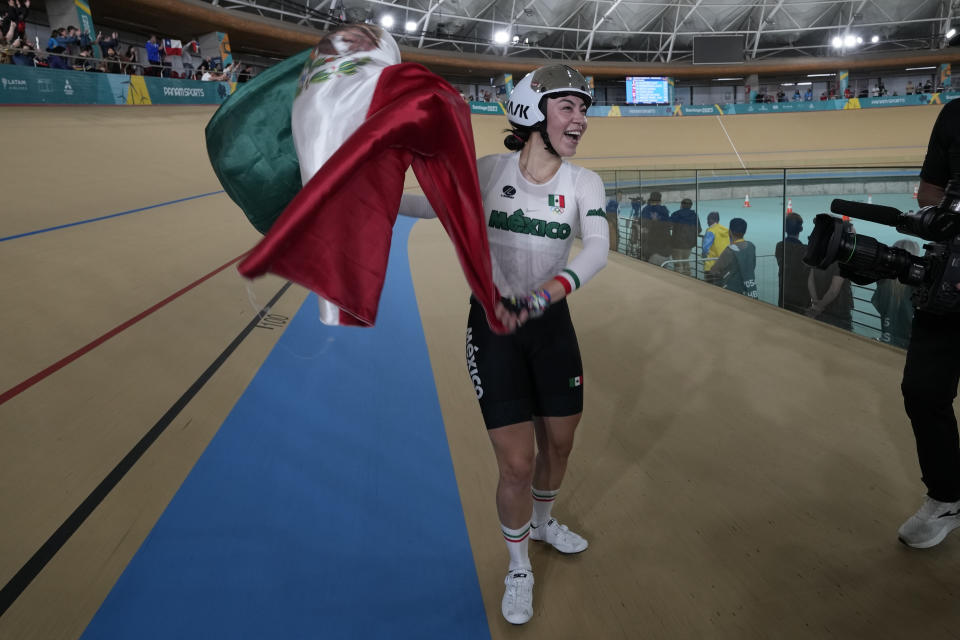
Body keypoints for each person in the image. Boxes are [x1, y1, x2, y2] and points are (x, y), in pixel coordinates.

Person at [401, 64, 609, 625]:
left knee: (559, 446)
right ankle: (519, 566)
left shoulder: (583, 183)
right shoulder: (490, 171)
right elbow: (433, 204)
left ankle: (543, 523)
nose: (581, 119)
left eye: (583, 109)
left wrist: (544, 297)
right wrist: (377, 196)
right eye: (568, 107)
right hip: (493, 329)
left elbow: (596, 249)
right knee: (517, 463)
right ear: (532, 112)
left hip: (549, 325)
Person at [896, 96, 960, 548]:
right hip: (951, 277)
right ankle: (947, 498)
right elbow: (930, 190)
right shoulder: (954, 113)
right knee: (922, 389)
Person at [872, 239, 918, 349]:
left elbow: (879, 305)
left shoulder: (882, 281)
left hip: (887, 338)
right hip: (908, 344)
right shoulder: (915, 286)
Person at [710, 217, 758, 298]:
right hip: (750, 290)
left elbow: (714, 270)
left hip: (732, 291)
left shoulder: (730, 250)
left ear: (730, 232)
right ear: (744, 232)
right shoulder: (751, 246)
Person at [775, 212, 810, 314]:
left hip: (784, 295)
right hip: (802, 297)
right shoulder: (805, 250)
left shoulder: (779, 246)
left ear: (785, 229)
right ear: (800, 229)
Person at [668, 197, 701, 276]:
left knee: (677, 265)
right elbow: (699, 229)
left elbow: (668, 226)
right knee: (685, 261)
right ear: (691, 206)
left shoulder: (676, 214)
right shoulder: (694, 216)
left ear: (681, 205)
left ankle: (679, 282)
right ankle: (688, 280)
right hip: (688, 245)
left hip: (676, 244)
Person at [639, 191, 671, 265]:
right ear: (660, 200)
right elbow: (669, 224)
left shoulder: (646, 210)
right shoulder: (664, 211)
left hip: (651, 248)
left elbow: (641, 224)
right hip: (664, 248)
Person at [701, 211, 730, 285]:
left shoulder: (711, 231)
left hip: (711, 265)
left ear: (711, 220)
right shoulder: (725, 230)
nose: (707, 222)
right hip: (723, 264)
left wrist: (703, 258)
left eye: (707, 219)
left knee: (710, 286)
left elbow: (705, 248)